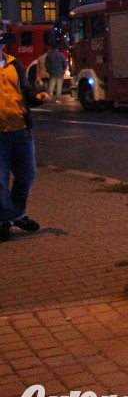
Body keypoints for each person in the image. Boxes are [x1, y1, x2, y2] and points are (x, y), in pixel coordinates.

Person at [0, 32, 49, 243]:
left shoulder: (14, 65)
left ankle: (13, 215)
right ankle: (10, 218)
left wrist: (38, 97)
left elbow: (26, 91)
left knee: (27, 175)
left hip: (21, 131)